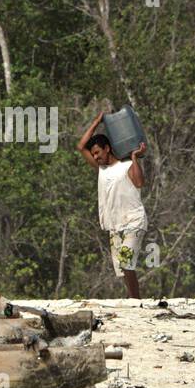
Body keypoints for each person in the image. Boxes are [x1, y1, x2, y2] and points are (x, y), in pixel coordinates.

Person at [78, 110, 148, 298]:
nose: (96, 157)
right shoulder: (102, 169)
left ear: (107, 148)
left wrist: (134, 158)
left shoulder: (125, 166)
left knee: (126, 262)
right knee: (123, 268)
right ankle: (134, 299)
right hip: (115, 225)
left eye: (98, 152)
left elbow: (140, 182)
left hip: (133, 221)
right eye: (93, 154)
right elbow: (81, 146)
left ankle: (135, 300)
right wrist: (97, 121)